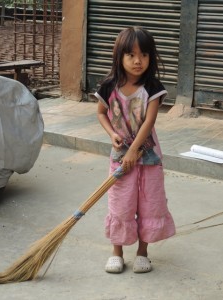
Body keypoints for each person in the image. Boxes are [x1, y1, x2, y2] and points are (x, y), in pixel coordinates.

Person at [95, 26, 176, 274]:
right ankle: (117, 252)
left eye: (144, 54)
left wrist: (134, 151)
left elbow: (149, 122)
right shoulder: (109, 86)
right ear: (119, 56)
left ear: (151, 57)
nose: (137, 61)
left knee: (150, 203)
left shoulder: (152, 87)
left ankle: (143, 252)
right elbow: (101, 113)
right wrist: (113, 135)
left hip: (149, 157)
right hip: (120, 157)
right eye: (130, 54)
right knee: (121, 203)